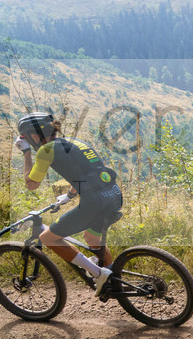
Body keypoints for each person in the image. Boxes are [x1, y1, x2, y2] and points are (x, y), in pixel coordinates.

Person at [15, 112, 123, 296]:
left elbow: (31, 184)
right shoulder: (74, 141)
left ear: (33, 136)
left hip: (94, 201)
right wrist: (70, 195)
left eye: (26, 138)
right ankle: (115, 283)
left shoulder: (45, 150)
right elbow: (86, 172)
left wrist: (26, 152)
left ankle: (99, 274)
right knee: (92, 238)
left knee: (47, 238)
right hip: (113, 194)